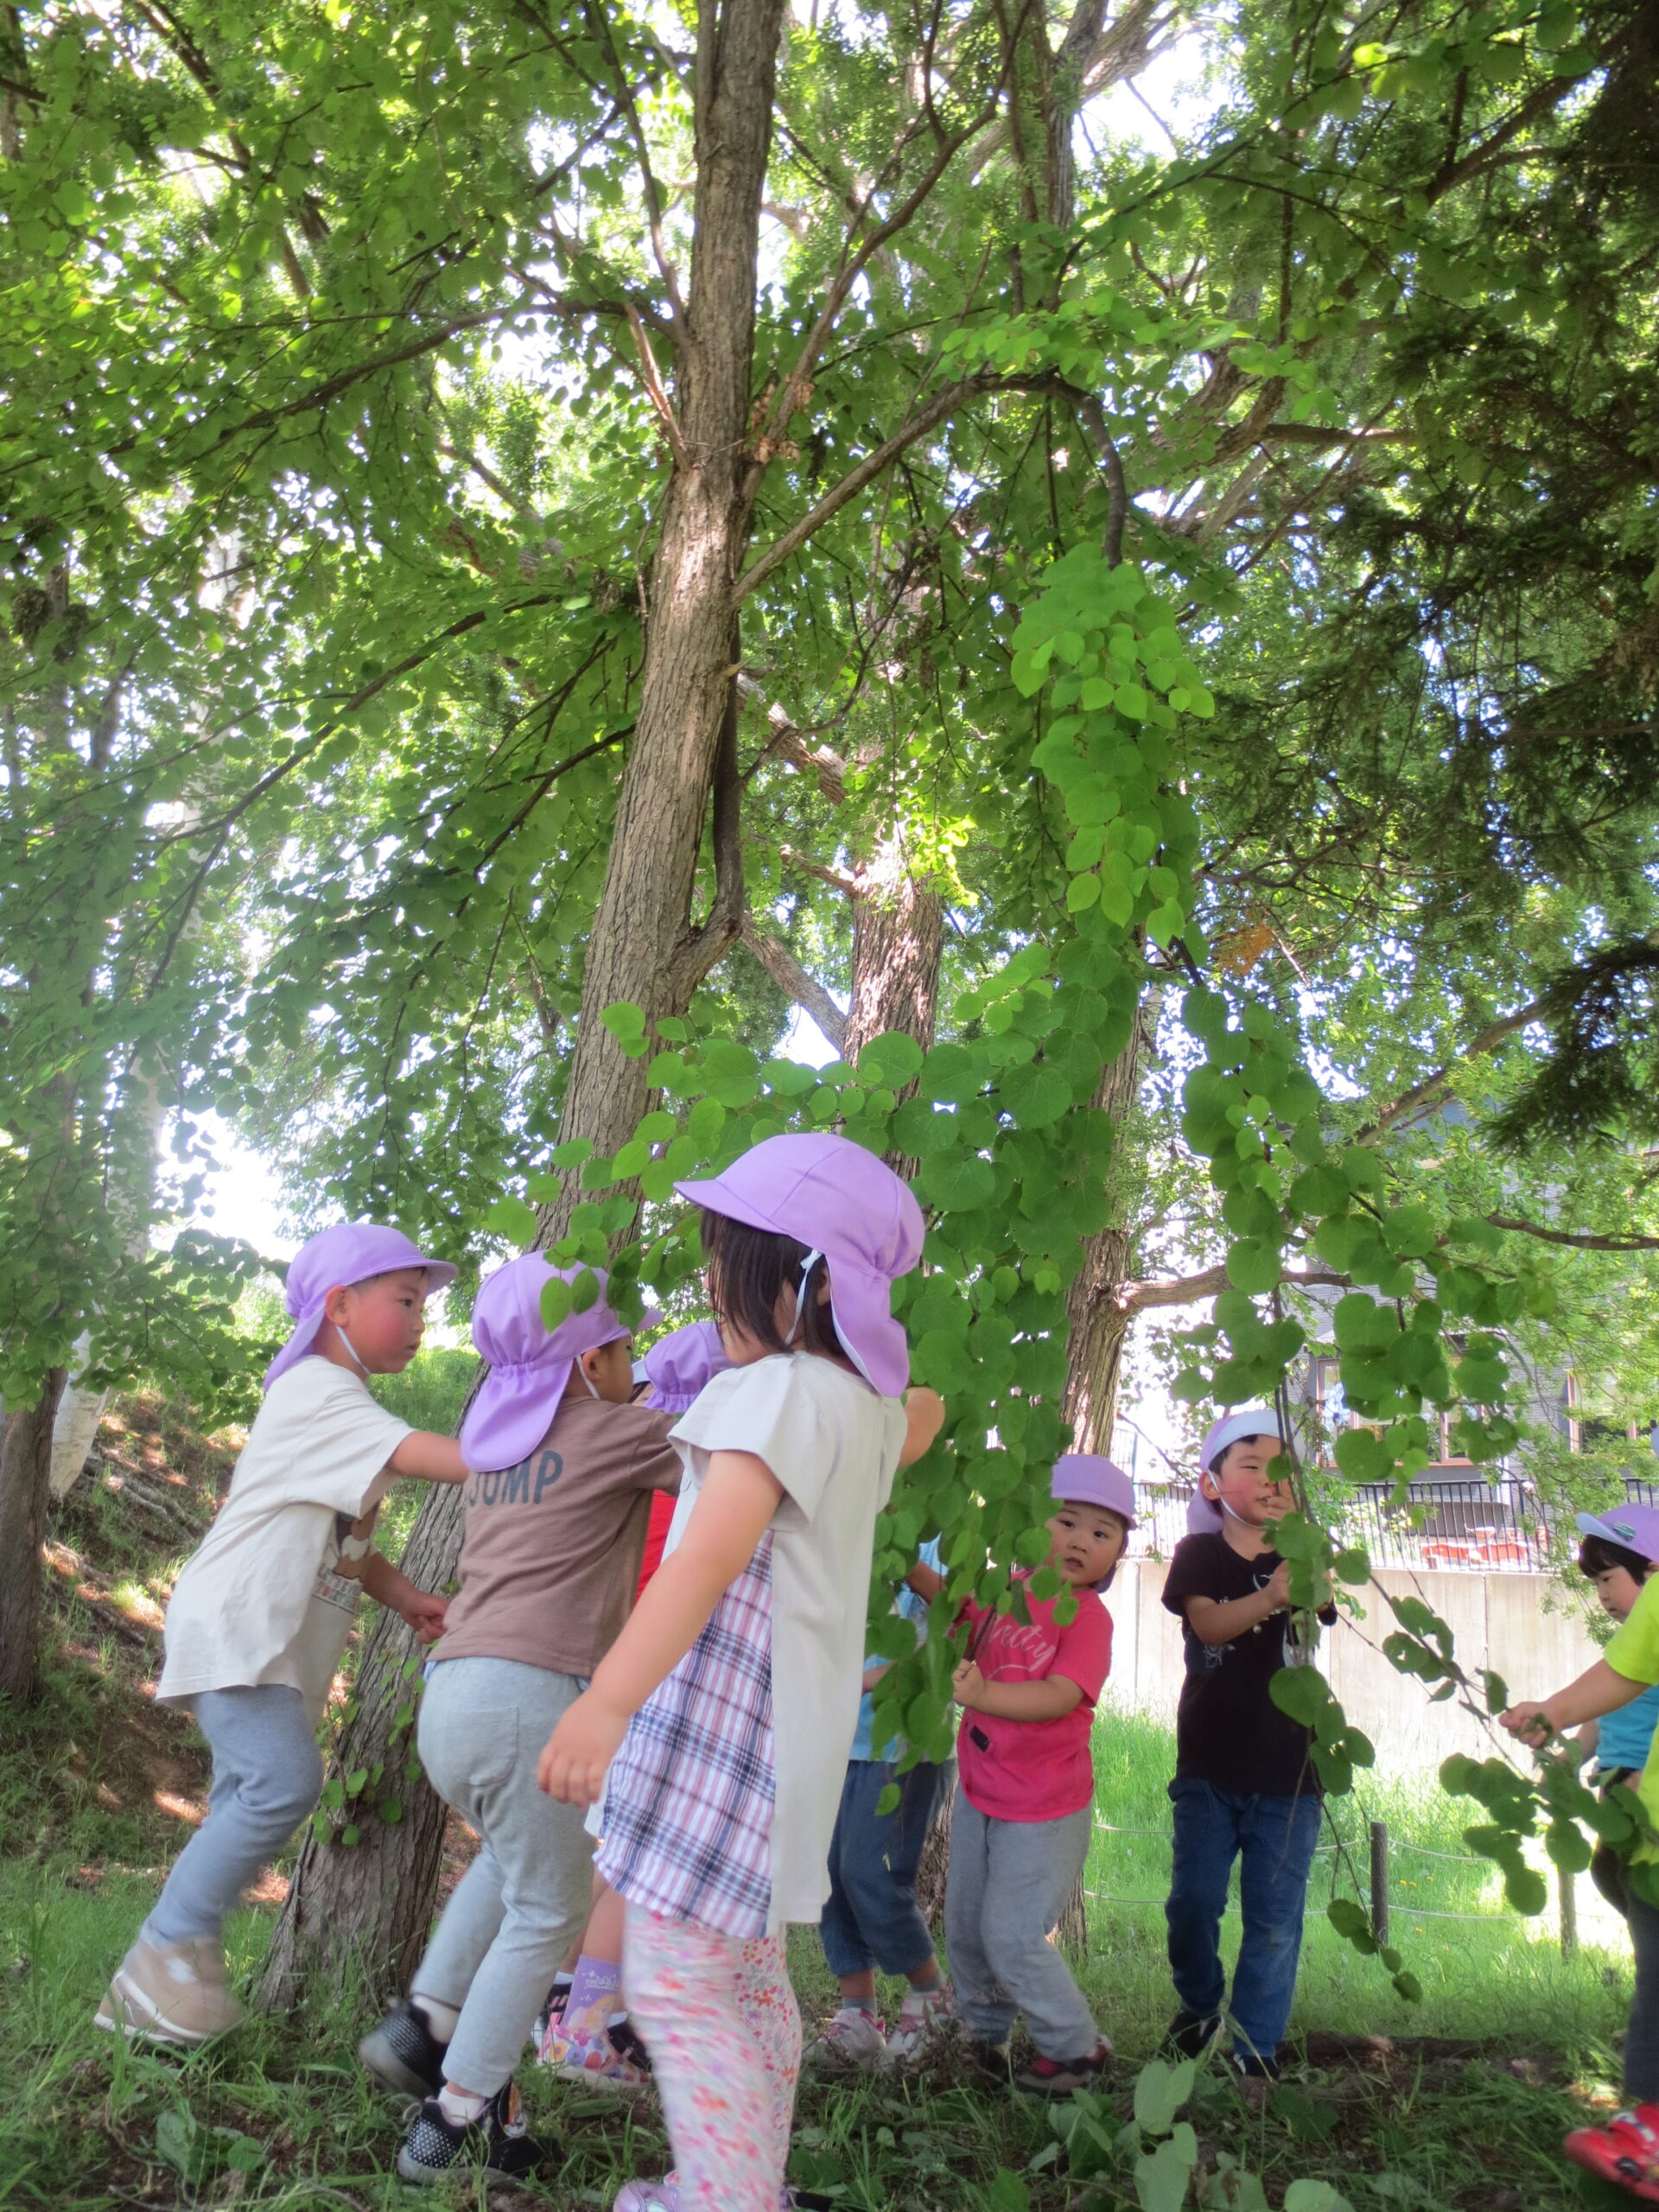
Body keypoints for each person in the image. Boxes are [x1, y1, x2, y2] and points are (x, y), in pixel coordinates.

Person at [537, 1131, 944, 2212]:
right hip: (790, 1753)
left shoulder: (772, 1398)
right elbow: (916, 1421)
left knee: (675, 1989)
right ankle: (738, 2173)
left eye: (726, 1255)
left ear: (792, 1277)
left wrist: (607, 1698)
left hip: (723, 1738)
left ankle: (724, 2198)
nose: (711, 1279)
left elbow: (709, 1558)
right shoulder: (854, 1409)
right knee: (746, 1980)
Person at [94, 1223, 465, 2049]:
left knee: (243, 1795)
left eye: (424, 1306)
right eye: (405, 1299)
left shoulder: (340, 1406)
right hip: (234, 1626)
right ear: (339, 1305)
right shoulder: (316, 1393)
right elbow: (451, 1458)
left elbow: (350, 1544)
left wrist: (406, 1597)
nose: (420, 1320)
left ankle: (170, 1991)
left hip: (252, 1634)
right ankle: (160, 1953)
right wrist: (538, 1440)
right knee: (281, 1783)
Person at [359, 1256, 688, 2186]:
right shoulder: (620, 1432)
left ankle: (426, 2016)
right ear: (590, 1364)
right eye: (626, 1351)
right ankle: (452, 2110)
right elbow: (729, 1453)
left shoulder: (494, 1439)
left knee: (511, 1863)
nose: (638, 1370)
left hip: (454, 1692)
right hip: (535, 1696)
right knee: (551, 1906)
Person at [539, 1319, 735, 2094]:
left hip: (617, 1671)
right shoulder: (692, 1475)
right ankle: (586, 2026)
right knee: (631, 1862)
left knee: (605, 1854)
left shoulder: (640, 1465)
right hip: (664, 1679)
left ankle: (561, 2006)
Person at [944, 1456, 1128, 2094]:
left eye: (1102, 1534)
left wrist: (982, 1696)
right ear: (1032, 1524)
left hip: (1046, 1808)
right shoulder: (1007, 1590)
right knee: (967, 1925)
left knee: (1013, 1933)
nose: (1081, 1540)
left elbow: (1058, 1695)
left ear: (1116, 1555)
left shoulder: (1089, 1619)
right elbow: (954, 1612)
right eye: (1067, 1520)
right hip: (982, 1791)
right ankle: (982, 2038)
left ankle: (1074, 2049)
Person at [1160, 1407, 1333, 2083]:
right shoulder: (1197, 1555)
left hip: (1291, 1777)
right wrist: (1271, 1597)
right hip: (1208, 1768)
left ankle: (1255, 2051)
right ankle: (1200, 2004)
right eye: (1252, 1467)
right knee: (1192, 1903)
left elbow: (1318, 1614)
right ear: (1212, 1484)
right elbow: (1208, 1628)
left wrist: (1305, 1565)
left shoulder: (1304, 1556)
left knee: (1274, 1921)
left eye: (1283, 1472)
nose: (1269, 1482)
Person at [1502, 1503, 1659, 2202]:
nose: (1601, 1592)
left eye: (1610, 1576)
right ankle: (1645, 2129)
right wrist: (1554, 1724)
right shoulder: (1649, 1621)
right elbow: (1612, 1688)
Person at [806, 1537, 951, 2073]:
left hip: (906, 1744)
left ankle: (929, 1995)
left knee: (868, 1870)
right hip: (840, 1736)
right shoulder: (844, 1524)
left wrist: (907, 1562)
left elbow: (961, 1617)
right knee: (827, 1874)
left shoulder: (939, 1528)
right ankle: (858, 2013)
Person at [1573, 1509, 1659, 1917]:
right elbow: (1599, 1713)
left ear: (1652, 1573)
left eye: (1608, 1579)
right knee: (1611, 1873)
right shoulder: (1626, 1646)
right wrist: (1569, 1757)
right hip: (1616, 1784)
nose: (1601, 1594)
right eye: (1594, 1584)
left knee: (1628, 1879)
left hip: (1644, 1787)